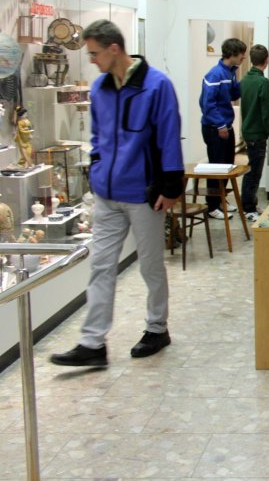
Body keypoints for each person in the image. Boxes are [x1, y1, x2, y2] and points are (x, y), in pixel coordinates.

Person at [50, 19, 183, 366]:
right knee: (101, 266)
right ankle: (92, 343)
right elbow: (98, 138)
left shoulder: (157, 85)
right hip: (107, 195)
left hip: (143, 194)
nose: (92, 60)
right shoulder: (99, 89)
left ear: (114, 49)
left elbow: (169, 136)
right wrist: (96, 169)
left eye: (94, 53)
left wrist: (171, 185)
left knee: (150, 266)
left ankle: (157, 328)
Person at [199, 37, 246, 219]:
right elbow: (207, 104)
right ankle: (212, 206)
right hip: (214, 128)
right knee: (217, 166)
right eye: (241, 54)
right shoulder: (215, 74)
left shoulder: (230, 72)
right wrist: (220, 125)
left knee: (227, 165)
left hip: (225, 125)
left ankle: (220, 200)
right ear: (232, 54)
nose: (243, 57)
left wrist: (241, 84)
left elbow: (233, 95)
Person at [239, 44, 269, 221]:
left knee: (252, 169)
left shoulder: (244, 80)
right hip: (257, 134)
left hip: (248, 132)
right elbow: (267, 113)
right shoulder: (263, 82)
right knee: (254, 172)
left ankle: (250, 204)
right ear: (267, 60)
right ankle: (248, 208)